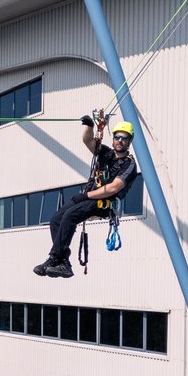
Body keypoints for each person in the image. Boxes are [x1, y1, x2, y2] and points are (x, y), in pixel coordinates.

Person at [33, 115, 139, 278]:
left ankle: (54, 258)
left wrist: (86, 196)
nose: (120, 141)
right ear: (113, 139)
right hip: (90, 197)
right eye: (117, 137)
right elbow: (88, 141)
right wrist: (89, 126)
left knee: (70, 215)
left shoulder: (129, 164)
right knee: (56, 219)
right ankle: (63, 261)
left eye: (124, 138)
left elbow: (113, 187)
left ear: (129, 141)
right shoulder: (105, 153)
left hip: (105, 203)